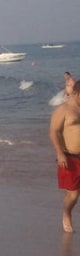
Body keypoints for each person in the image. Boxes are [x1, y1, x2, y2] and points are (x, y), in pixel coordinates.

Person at [50, 84, 80, 233]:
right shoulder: (63, 109)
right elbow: (54, 132)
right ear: (76, 92)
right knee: (73, 194)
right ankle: (67, 213)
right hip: (70, 157)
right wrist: (59, 153)